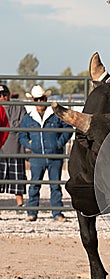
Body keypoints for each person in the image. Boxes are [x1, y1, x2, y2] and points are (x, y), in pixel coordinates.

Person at [18, 85, 73, 222]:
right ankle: (32, 213)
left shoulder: (55, 115)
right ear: (33, 101)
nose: (40, 102)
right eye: (37, 99)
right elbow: (22, 135)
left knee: (55, 185)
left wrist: (58, 143)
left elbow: (68, 128)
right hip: (37, 156)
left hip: (54, 155)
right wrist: (30, 145)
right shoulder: (28, 118)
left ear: (46, 98)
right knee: (35, 185)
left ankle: (57, 213)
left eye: (42, 98)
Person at [0, 85, 27, 207]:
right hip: (1, 150)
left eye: (4, 94)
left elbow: (25, 125)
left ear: (9, 95)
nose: (2, 97)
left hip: (16, 149)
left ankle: (20, 204)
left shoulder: (19, 107)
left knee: (18, 179)